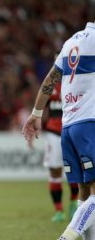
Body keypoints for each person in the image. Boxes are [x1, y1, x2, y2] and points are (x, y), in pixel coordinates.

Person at [22, 21, 95, 240]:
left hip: (69, 127)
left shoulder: (71, 41)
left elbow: (50, 79)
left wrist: (36, 113)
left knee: (84, 191)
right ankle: (66, 237)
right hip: (90, 123)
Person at [41, 83, 78, 222]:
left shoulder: (76, 81)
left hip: (72, 129)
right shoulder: (50, 85)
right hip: (53, 131)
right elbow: (40, 106)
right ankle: (59, 210)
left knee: (74, 169)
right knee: (55, 170)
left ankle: (74, 202)